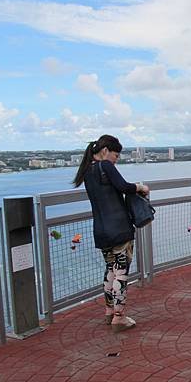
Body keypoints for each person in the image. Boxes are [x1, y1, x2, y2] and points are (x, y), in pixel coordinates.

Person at [73, 135, 149, 333]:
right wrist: (140, 187)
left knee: (110, 270)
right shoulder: (105, 166)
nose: (117, 159)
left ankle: (109, 312)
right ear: (105, 150)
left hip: (101, 230)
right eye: (116, 155)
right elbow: (123, 186)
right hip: (119, 229)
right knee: (121, 273)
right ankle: (119, 317)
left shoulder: (87, 171)